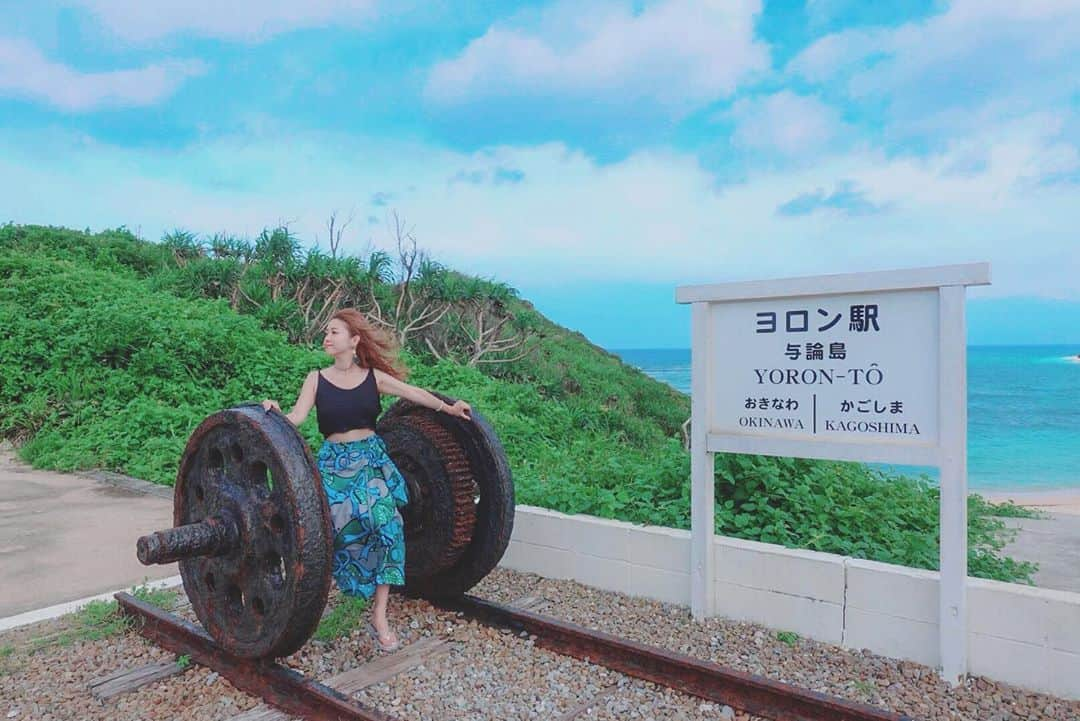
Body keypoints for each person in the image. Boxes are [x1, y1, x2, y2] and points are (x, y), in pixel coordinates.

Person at [261, 308, 472, 652]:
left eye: (334, 332)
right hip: (333, 465)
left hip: (371, 462)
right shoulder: (316, 379)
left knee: (387, 527)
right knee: (333, 533)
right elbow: (296, 418)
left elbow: (413, 393)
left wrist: (448, 409)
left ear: (354, 341)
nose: (327, 338)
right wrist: (275, 410)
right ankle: (314, 603)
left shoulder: (374, 378)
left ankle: (380, 615)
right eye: (327, 332)